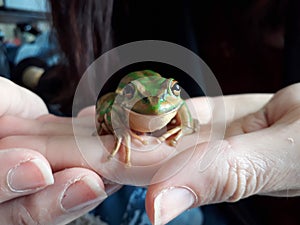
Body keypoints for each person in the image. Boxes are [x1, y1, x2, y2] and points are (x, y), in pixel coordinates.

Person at [1, 0, 299, 225]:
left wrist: (180, 127)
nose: (156, 105)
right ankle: (27, 67)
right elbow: (110, 103)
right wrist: (117, 130)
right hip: (120, 97)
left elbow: (180, 106)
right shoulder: (114, 24)